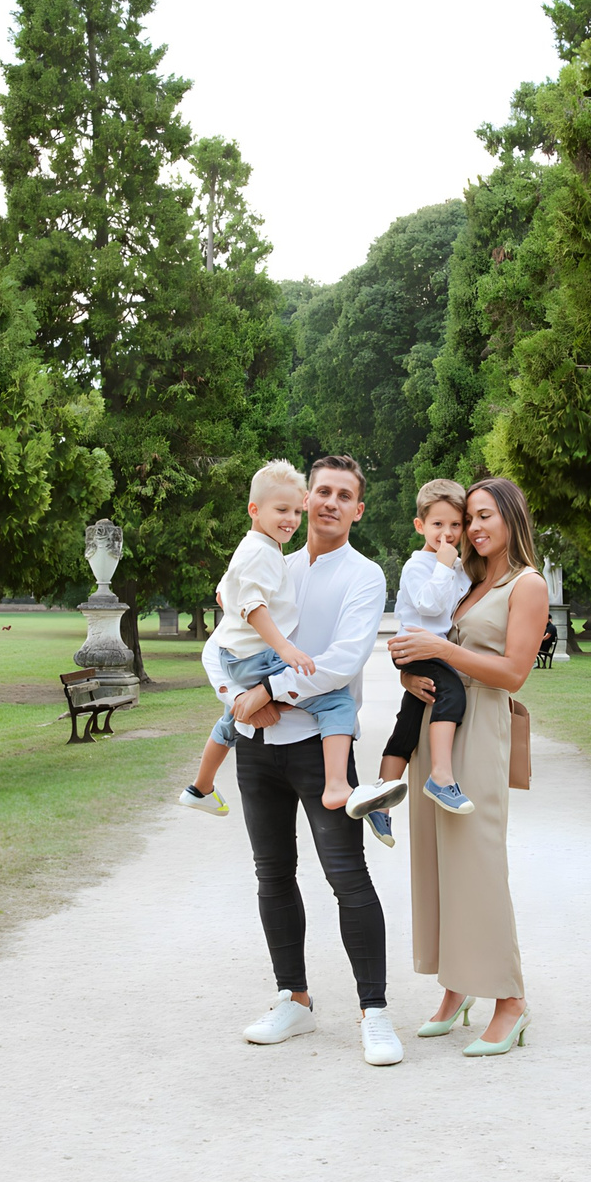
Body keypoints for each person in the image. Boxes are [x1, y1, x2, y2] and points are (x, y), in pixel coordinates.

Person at [218, 455, 401, 1068]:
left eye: (341, 495)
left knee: (347, 877)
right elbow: (226, 640)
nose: (326, 503)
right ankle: (292, 998)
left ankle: (374, 1012)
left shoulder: (365, 576)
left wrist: (269, 693)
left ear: (357, 509)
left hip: (322, 747)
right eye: (320, 491)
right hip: (258, 748)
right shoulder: (269, 561)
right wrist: (239, 703)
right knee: (272, 873)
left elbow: (345, 660)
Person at [387, 476, 550, 1058]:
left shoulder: (527, 584)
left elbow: (512, 673)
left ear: (511, 517)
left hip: (482, 729)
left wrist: (443, 653)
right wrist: (410, 672)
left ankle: (511, 1000)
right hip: (441, 729)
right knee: (440, 860)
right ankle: (456, 988)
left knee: (478, 861)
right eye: (469, 518)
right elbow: (425, 639)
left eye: (485, 516)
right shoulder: (470, 582)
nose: (475, 528)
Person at [177, 459, 361, 817]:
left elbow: (227, 592)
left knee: (237, 716)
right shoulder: (263, 551)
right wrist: (284, 647)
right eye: (281, 510)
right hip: (256, 657)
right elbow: (251, 605)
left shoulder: (258, 546)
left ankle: (201, 786)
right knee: (337, 701)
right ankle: (337, 783)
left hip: (239, 658)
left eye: (296, 510)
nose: (291, 519)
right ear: (254, 509)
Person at [344, 478, 473, 847]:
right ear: (420, 526)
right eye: (437, 525)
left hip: (429, 651)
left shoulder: (457, 565)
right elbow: (432, 606)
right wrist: (444, 566)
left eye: (454, 525)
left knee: (407, 728)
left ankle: (380, 806)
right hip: (418, 649)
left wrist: (452, 566)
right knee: (452, 697)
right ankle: (441, 778)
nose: (446, 534)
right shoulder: (420, 566)